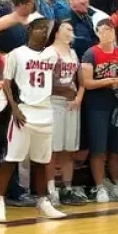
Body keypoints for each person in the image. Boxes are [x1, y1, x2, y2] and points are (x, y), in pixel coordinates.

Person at [0, 18, 66, 223]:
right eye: (40, 28)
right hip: (23, 111)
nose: (43, 32)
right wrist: (14, 107)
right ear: (30, 29)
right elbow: (7, 83)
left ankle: (43, 201)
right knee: (12, 158)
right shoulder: (16, 54)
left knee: (41, 160)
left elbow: (53, 80)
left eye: (46, 29)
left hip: (45, 111)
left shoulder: (51, 54)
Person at [79, 20, 118, 204]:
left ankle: (115, 185)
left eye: (111, 29)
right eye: (104, 30)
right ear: (98, 33)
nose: (108, 33)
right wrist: (110, 81)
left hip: (117, 104)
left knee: (116, 149)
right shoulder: (91, 53)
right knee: (99, 149)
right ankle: (100, 187)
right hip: (97, 105)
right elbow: (86, 82)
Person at [41, 20, 83, 206]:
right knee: (53, 149)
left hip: (72, 104)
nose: (71, 31)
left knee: (69, 149)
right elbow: (43, 81)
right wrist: (62, 90)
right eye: (68, 28)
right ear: (56, 32)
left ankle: (67, 187)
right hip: (54, 103)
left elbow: (79, 80)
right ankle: (51, 189)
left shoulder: (73, 53)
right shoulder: (49, 53)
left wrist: (79, 96)